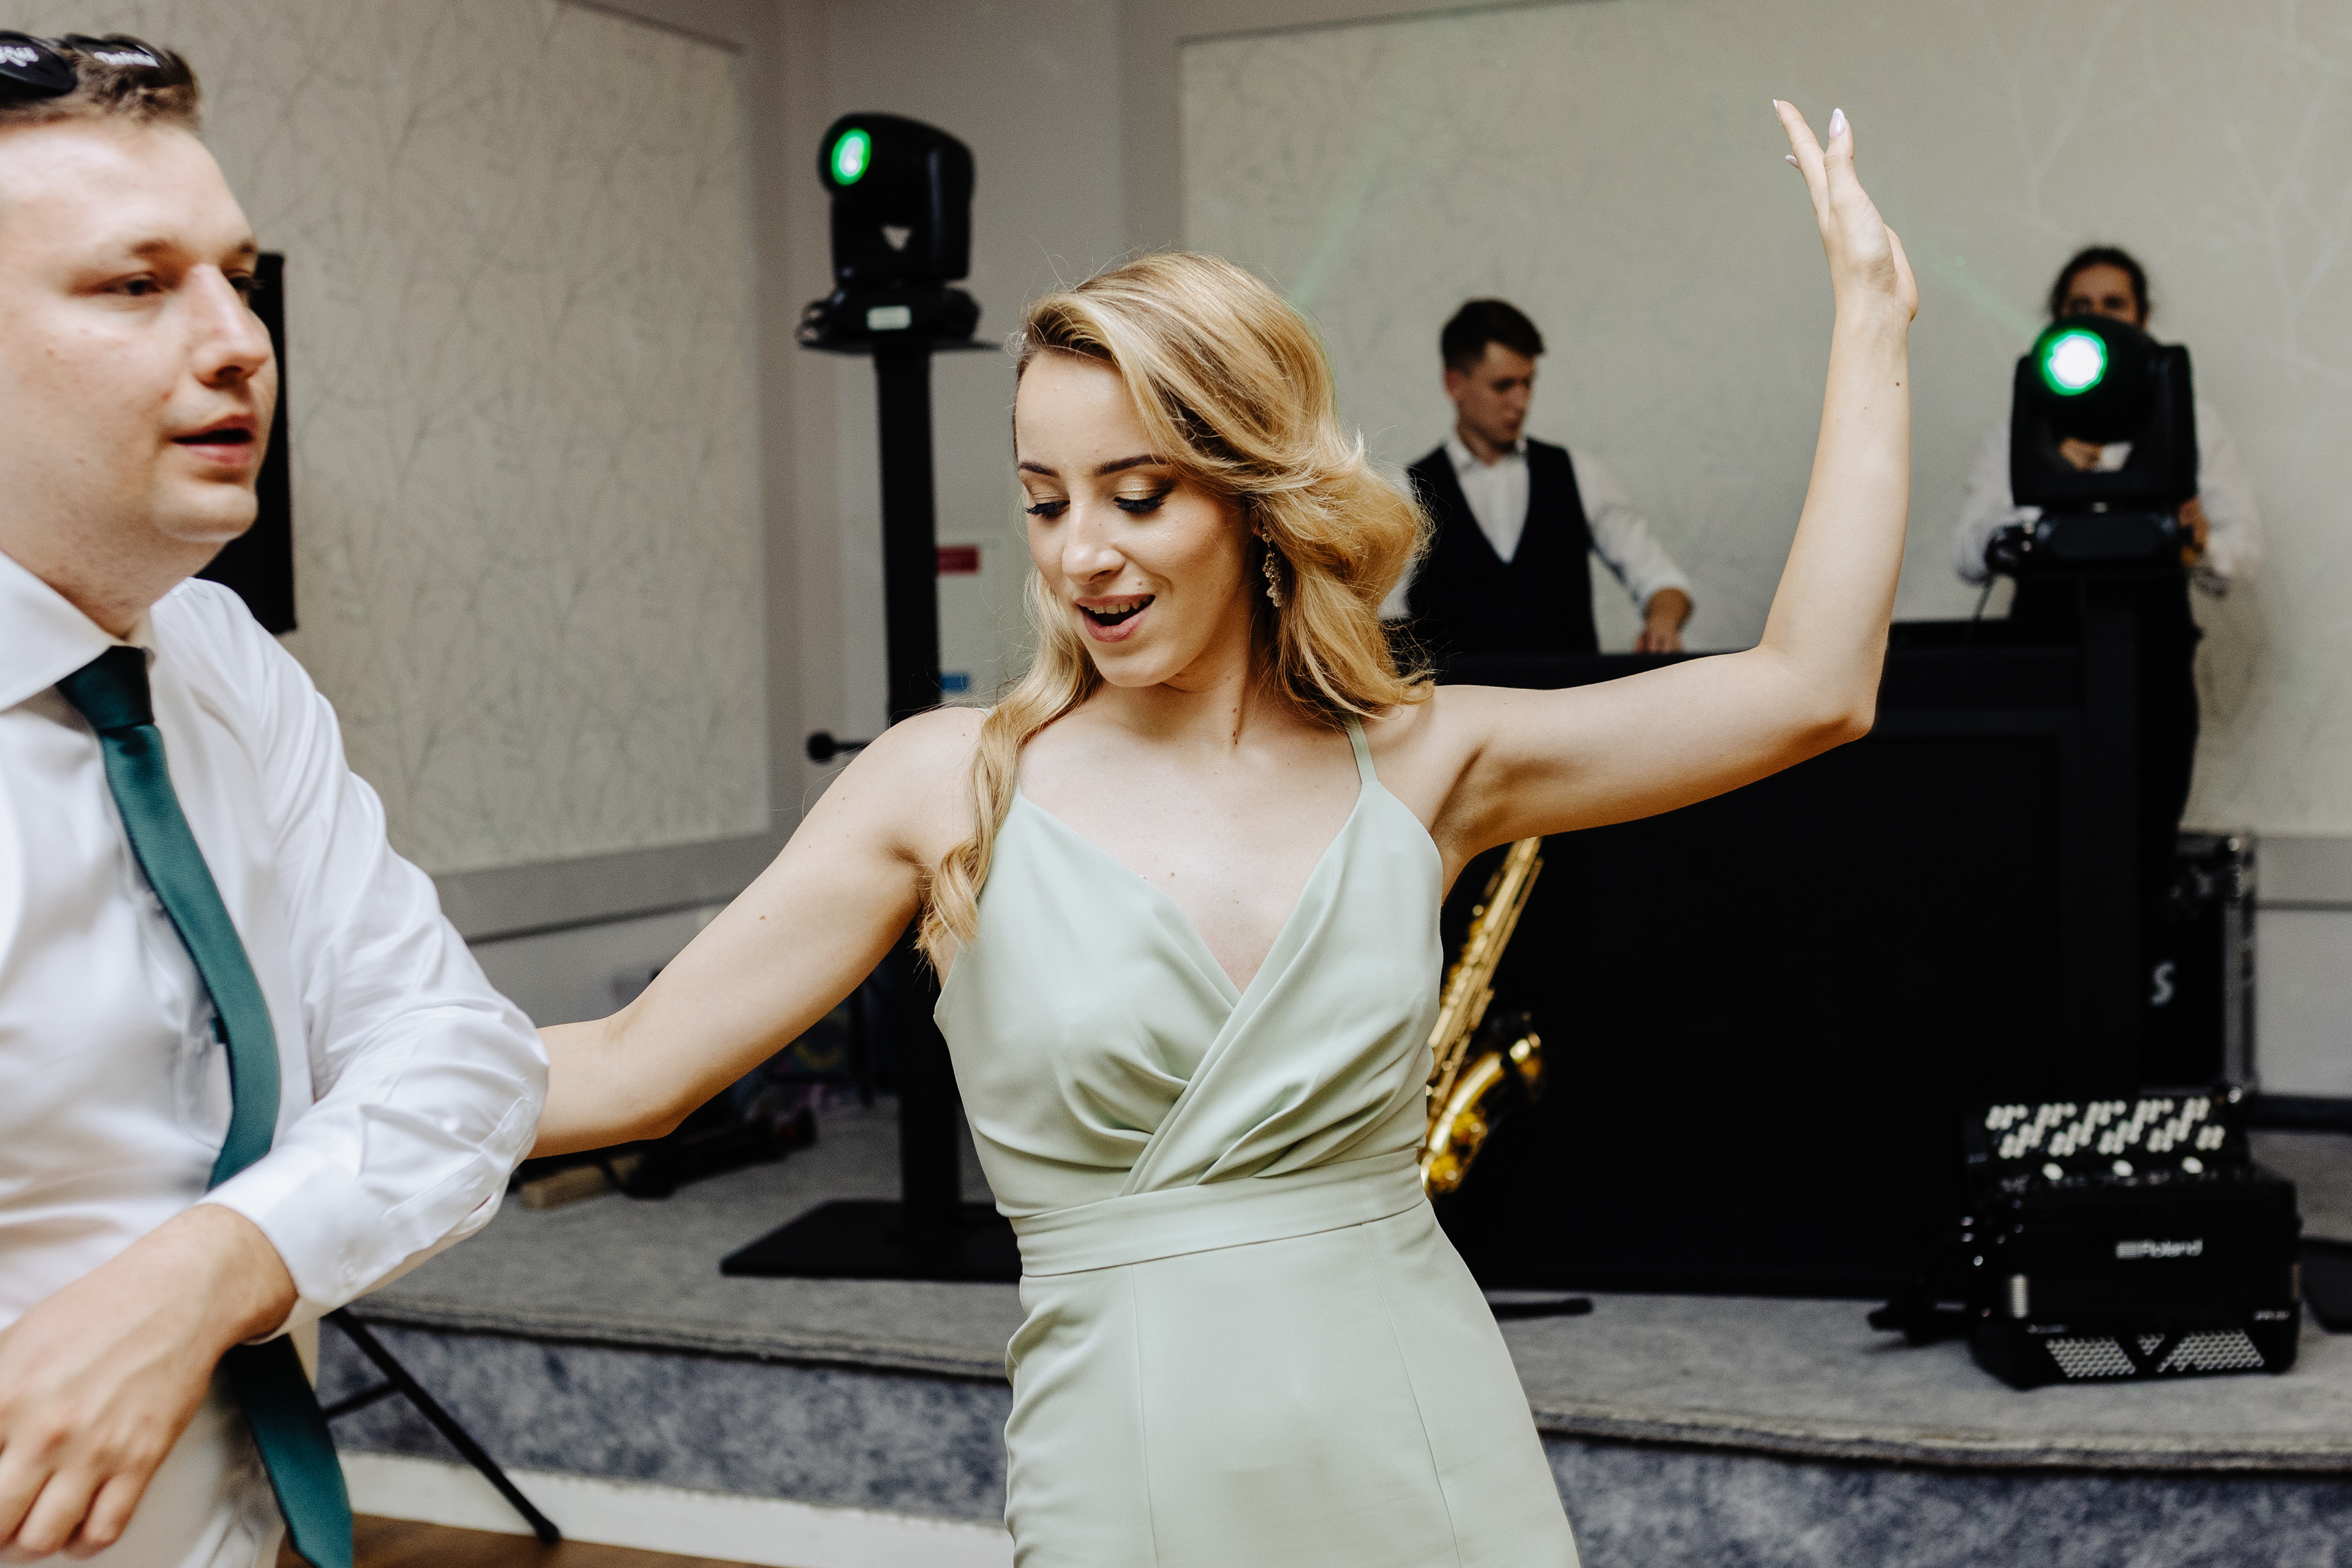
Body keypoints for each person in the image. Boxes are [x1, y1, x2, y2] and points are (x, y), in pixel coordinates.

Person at [531, 102, 1913, 1567]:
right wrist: (348, 1110)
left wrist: (1872, 321)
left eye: (1137, 495)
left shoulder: (1424, 761)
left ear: (1255, 497)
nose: (1081, 552)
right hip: (1127, 1482)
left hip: (1429, 1456)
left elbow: (1810, 688)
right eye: (1045, 502)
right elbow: (627, 1065)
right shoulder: (947, 785)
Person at [0, 36, 545, 1568]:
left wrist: (209, 1267)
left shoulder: (222, 658)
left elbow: (455, 1050)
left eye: (238, 281)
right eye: (137, 284)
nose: (242, 340)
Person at [1951, 245, 2263, 922]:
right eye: (2079, 307)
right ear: (2056, 323)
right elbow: (1969, 553)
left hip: (2152, 672)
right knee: (2039, 867)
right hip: (2041, 671)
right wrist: (2047, 485)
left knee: (2138, 867)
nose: (2096, 319)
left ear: (2143, 320)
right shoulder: (2025, 428)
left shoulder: (2192, 422)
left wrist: (2196, 541)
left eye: (2114, 305)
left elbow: (2242, 555)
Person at [1392, 298, 1695, 659]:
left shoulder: (1581, 474)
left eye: (1528, 383)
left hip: (1575, 694)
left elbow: (1661, 579)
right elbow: (1382, 617)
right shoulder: (1403, 493)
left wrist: (1663, 621)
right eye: (1503, 386)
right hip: (1458, 697)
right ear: (1454, 383)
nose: (1521, 402)